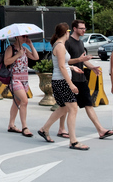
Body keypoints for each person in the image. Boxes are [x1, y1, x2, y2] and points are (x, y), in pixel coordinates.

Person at [37, 22, 89, 151]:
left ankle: (44, 129)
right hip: (62, 82)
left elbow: (62, 64)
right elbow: (60, 66)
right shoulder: (60, 46)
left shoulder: (59, 45)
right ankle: (73, 141)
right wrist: (71, 84)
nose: (69, 34)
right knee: (73, 108)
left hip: (59, 80)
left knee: (64, 108)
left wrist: (72, 67)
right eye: (68, 32)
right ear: (66, 33)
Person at [62, 19, 113, 140]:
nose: (84, 30)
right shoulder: (67, 43)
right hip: (70, 79)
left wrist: (92, 68)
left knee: (88, 104)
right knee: (66, 107)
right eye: (81, 28)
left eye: (84, 28)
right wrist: (79, 61)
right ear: (74, 29)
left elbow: (84, 59)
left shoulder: (81, 43)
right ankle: (61, 129)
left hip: (81, 79)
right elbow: (64, 62)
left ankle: (101, 130)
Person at [5, 34, 39, 137]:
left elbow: (36, 57)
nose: (25, 38)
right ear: (17, 37)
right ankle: (25, 127)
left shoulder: (24, 49)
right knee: (25, 101)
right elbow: (6, 62)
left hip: (24, 79)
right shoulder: (11, 48)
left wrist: (31, 45)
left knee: (17, 101)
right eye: (23, 36)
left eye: (26, 36)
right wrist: (17, 55)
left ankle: (11, 124)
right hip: (14, 79)